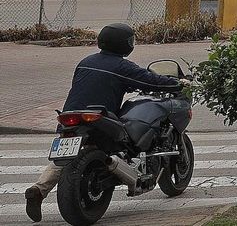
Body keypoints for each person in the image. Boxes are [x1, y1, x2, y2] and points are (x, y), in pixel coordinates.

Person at [24, 23, 186, 223]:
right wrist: (177, 84)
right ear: (125, 44)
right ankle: (124, 169)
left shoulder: (86, 62)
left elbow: (98, 83)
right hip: (100, 119)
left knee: (64, 159)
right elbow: (150, 80)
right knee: (128, 143)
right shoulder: (122, 66)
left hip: (71, 117)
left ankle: (38, 190)